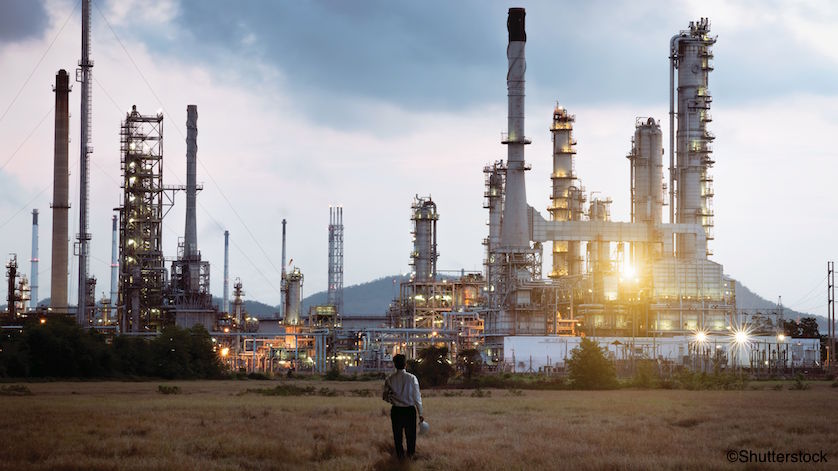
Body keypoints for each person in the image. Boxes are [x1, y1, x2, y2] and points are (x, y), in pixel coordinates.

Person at [382, 354, 423, 460]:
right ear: (405, 364)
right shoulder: (412, 378)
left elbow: (385, 397)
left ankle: (400, 457)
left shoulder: (389, 379)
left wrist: (393, 400)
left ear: (394, 364)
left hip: (396, 411)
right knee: (411, 436)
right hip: (410, 410)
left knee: (397, 436)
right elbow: (417, 397)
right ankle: (410, 456)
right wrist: (421, 413)